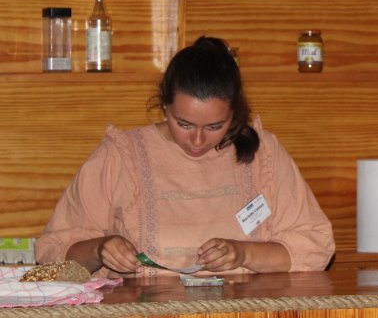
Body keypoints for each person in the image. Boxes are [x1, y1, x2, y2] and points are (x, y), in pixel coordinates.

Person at [35, 36, 335, 277]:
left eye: (215, 127)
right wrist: (99, 250)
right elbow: (52, 254)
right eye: (184, 124)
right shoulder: (120, 156)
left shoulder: (262, 153)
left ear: (234, 114)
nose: (198, 140)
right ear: (165, 106)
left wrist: (244, 254)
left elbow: (315, 245)